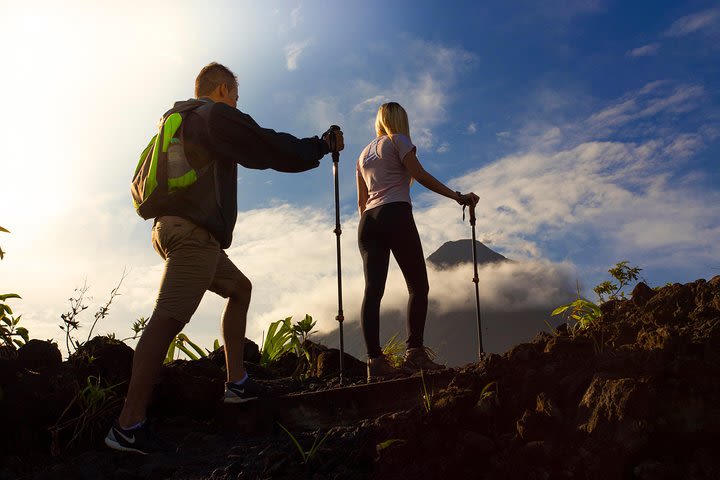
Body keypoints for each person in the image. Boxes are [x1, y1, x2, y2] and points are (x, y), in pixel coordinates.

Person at [106, 62, 343, 454]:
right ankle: (128, 425)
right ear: (220, 89)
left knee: (239, 289)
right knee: (167, 320)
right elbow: (266, 145)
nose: (235, 102)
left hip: (175, 230)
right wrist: (319, 145)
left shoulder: (177, 120)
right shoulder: (213, 116)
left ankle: (236, 383)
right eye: (234, 94)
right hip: (193, 236)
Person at [356, 102, 478, 381]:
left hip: (368, 223)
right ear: (400, 120)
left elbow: (362, 203)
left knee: (373, 291)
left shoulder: (362, 155)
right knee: (418, 286)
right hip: (396, 213)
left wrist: (373, 224)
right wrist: (458, 196)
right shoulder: (399, 140)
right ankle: (415, 355)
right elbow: (420, 175)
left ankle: (374, 362)